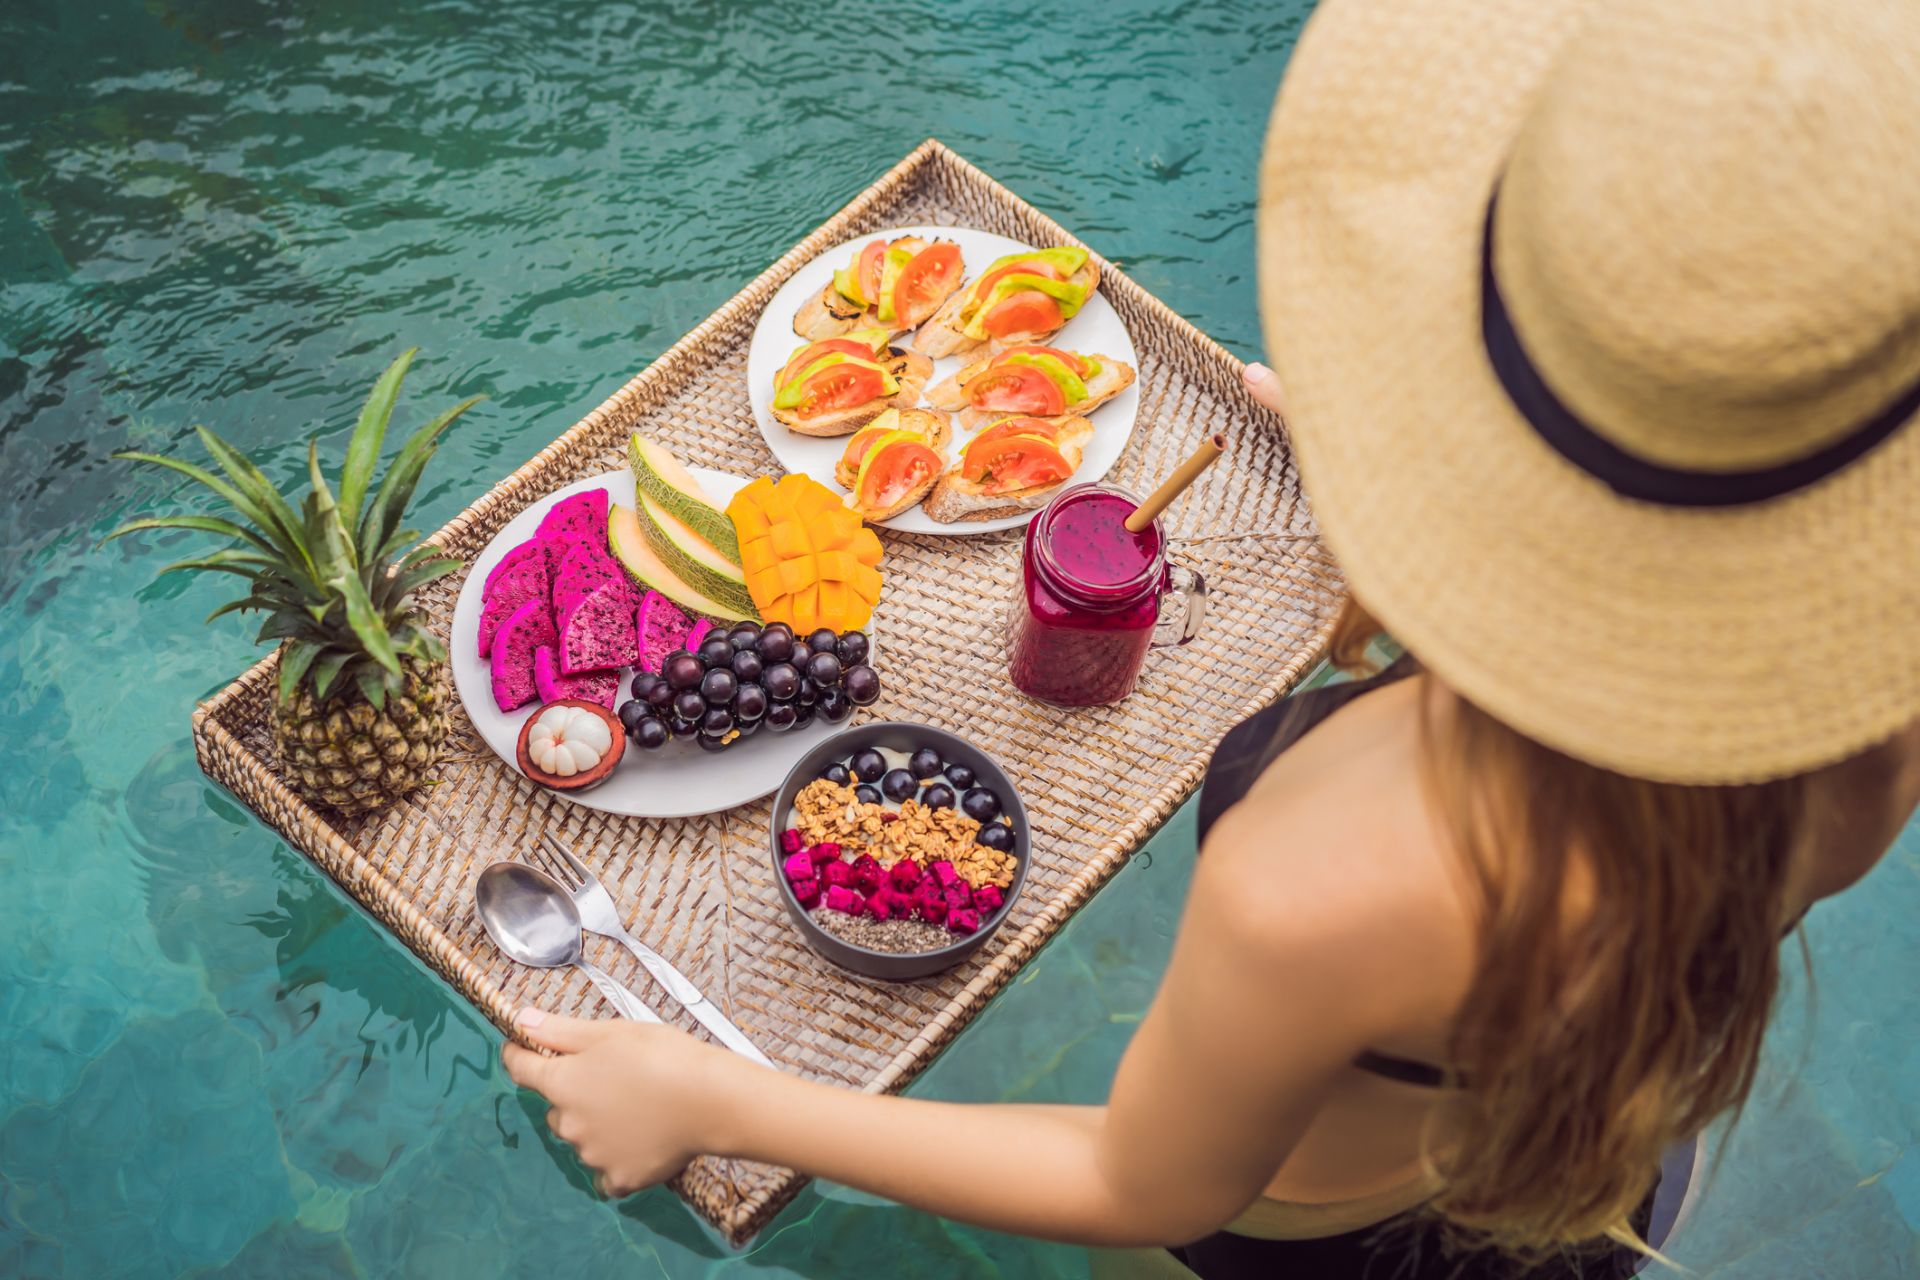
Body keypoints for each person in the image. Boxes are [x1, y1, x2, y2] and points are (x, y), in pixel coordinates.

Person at [503, 0, 1920, 1274]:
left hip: (1313, 1243)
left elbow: (1139, 1178)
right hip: (1598, 1166)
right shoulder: (1870, 710)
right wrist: (1422, 491)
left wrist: (721, 1102)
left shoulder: (1328, 869)